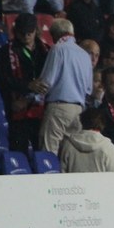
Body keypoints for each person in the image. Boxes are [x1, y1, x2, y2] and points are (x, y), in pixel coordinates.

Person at [37, 19, 93, 155]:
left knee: (49, 152)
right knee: (70, 155)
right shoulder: (85, 55)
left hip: (59, 108)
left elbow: (46, 82)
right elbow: (89, 89)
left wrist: (33, 98)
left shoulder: (57, 49)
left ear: (55, 35)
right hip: (79, 110)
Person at [0, 14, 48, 153]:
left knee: (40, 150)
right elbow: (4, 79)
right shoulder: (6, 51)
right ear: (16, 31)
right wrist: (27, 85)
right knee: (19, 149)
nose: (26, 36)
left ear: (36, 30)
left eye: (29, 32)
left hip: (41, 109)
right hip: (17, 108)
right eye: (22, 33)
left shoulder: (45, 50)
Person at [59, 106, 114, 172]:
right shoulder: (108, 147)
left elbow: (62, 172)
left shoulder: (68, 145)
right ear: (103, 123)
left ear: (81, 121)